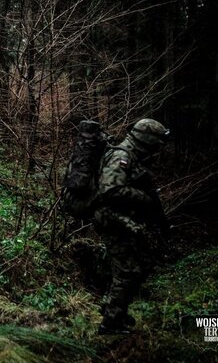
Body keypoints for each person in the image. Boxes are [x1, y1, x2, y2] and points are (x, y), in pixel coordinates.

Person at [93, 118, 170, 335]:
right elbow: (110, 190)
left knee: (140, 265)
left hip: (121, 220)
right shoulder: (122, 156)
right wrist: (142, 198)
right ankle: (110, 323)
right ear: (146, 140)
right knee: (129, 271)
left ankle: (114, 308)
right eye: (156, 143)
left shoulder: (132, 157)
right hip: (111, 220)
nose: (158, 149)